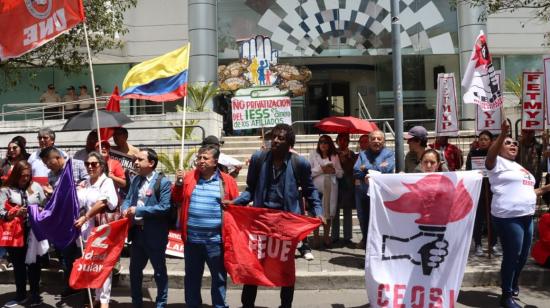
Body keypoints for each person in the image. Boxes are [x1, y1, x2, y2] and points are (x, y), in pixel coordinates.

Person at [229, 123, 323, 308]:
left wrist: (319, 213)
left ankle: (285, 305)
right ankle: (247, 305)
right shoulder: (258, 158)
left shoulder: (299, 163)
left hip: (286, 223)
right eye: (274, 137)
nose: (275, 140)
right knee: (253, 264)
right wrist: (234, 204)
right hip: (261, 222)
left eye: (280, 138)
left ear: (289, 143)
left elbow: (310, 190)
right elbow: (250, 190)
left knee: (285, 266)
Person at [485, 121, 550, 308]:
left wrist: (545, 188)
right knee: (513, 254)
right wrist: (501, 134)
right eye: (508, 143)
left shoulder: (521, 169)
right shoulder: (496, 162)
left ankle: (512, 284)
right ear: (498, 147)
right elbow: (490, 154)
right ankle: (506, 296)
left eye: (514, 143)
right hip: (508, 216)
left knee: (523, 255)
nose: (513, 145)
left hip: (526, 215)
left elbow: (531, 192)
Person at [172, 145, 239, 308]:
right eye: (199, 157)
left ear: (215, 161)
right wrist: (178, 184)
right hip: (192, 241)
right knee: (192, 278)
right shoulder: (188, 178)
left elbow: (236, 206)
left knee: (219, 278)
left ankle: (219, 305)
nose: (200, 161)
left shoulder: (226, 181)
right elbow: (176, 198)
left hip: (216, 241)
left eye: (205, 158)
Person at [122, 148, 171, 308]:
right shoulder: (136, 180)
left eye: (140, 160)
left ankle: (161, 303)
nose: (135, 162)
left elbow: (165, 207)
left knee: (159, 271)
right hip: (137, 234)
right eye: (135, 159)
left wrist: (140, 210)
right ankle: (136, 302)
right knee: (135, 271)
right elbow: (128, 199)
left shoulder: (162, 182)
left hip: (155, 234)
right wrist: (125, 207)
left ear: (151, 163)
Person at [39, 146, 88, 298]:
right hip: (64, 223)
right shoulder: (51, 175)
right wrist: (50, 195)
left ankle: (87, 290)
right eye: (45, 164)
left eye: (49, 163)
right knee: (67, 257)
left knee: (84, 256)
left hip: (83, 218)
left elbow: (89, 183)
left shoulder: (78, 165)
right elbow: (55, 200)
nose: (48, 166)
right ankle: (70, 285)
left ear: (58, 157)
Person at [0, 161, 48, 307]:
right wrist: (13, 213)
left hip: (33, 231)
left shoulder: (36, 187)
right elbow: (1, 212)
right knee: (18, 264)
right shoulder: (6, 189)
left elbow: (44, 205)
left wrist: (40, 209)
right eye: (22, 176)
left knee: (34, 263)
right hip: (15, 232)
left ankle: (35, 294)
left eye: (28, 175)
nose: (25, 179)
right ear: (16, 175)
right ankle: (20, 294)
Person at [74, 152, 118, 308]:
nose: (90, 167)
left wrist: (85, 216)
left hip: (101, 230)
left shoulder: (106, 182)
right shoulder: (84, 182)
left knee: (102, 265)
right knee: (90, 265)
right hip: (85, 230)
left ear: (102, 165)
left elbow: (102, 203)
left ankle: (104, 300)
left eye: (94, 164)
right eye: (87, 164)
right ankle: (96, 297)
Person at [353, 130, 395, 248]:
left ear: (384, 141)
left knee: (380, 222)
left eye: (379, 139)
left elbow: (387, 169)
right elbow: (356, 172)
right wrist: (375, 169)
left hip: (381, 195)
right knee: (364, 221)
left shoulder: (389, 154)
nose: (376, 141)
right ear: (369, 141)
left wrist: (366, 167)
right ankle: (367, 249)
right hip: (363, 194)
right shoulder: (362, 154)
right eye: (373, 139)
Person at [466, 130, 499, 257]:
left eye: (486, 139)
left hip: (492, 189)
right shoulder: (474, 153)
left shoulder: (495, 154)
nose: (483, 141)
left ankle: (493, 244)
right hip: (479, 190)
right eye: (481, 139)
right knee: (478, 219)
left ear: (491, 142)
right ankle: (478, 244)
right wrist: (471, 153)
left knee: (493, 218)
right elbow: (468, 169)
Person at [309, 135, 343, 248]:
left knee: (328, 212)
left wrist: (334, 170)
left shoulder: (334, 156)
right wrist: (321, 169)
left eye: (326, 142)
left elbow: (341, 173)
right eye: (321, 142)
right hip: (317, 188)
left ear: (330, 144)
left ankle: (326, 236)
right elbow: (309, 172)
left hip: (331, 188)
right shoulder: (313, 154)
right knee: (315, 212)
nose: (323, 144)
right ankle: (315, 237)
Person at [332, 133, 356, 245]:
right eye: (340, 140)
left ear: (348, 142)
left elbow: (353, 169)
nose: (342, 142)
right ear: (337, 141)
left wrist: (347, 159)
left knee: (347, 210)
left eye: (345, 140)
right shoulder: (332, 153)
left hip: (347, 185)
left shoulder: (352, 154)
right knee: (335, 210)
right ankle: (335, 236)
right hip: (335, 183)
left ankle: (347, 237)